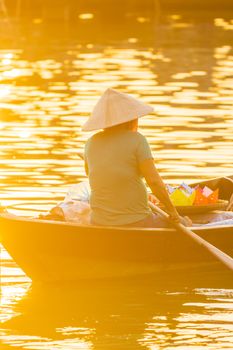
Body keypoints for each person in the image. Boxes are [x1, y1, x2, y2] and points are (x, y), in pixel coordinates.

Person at [83, 88, 191, 228]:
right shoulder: (137, 140)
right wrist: (173, 212)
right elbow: (154, 181)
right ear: (130, 120)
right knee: (186, 222)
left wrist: (145, 197)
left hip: (98, 220)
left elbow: (99, 178)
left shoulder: (90, 142)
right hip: (136, 221)